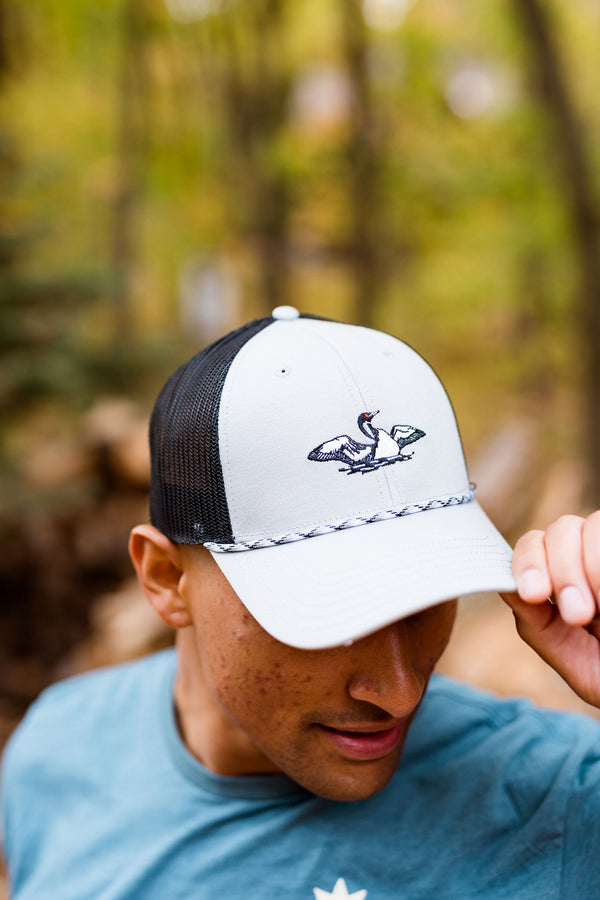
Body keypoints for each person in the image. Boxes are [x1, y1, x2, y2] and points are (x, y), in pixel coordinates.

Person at [2, 306, 600, 899]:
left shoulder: (562, 798)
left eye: (424, 599)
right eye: (332, 615)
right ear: (165, 578)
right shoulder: (56, 756)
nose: (400, 693)